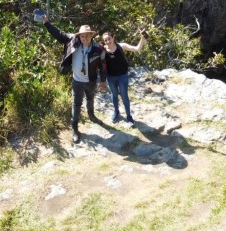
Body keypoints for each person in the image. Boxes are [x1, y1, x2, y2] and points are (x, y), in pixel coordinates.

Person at [42, 15, 106, 143]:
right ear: (79, 36)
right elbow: (59, 34)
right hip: (77, 81)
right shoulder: (73, 41)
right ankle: (75, 129)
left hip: (91, 80)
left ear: (91, 35)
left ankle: (91, 115)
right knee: (76, 105)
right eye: (82, 36)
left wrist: (103, 80)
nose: (84, 38)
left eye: (87, 35)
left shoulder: (98, 49)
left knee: (90, 98)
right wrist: (47, 23)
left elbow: (103, 66)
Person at [101, 29, 147, 124]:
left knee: (124, 95)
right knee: (114, 95)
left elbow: (137, 49)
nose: (107, 41)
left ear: (113, 37)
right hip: (111, 77)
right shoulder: (103, 50)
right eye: (105, 40)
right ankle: (116, 112)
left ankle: (129, 115)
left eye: (109, 39)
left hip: (122, 76)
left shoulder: (121, 46)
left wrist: (142, 38)